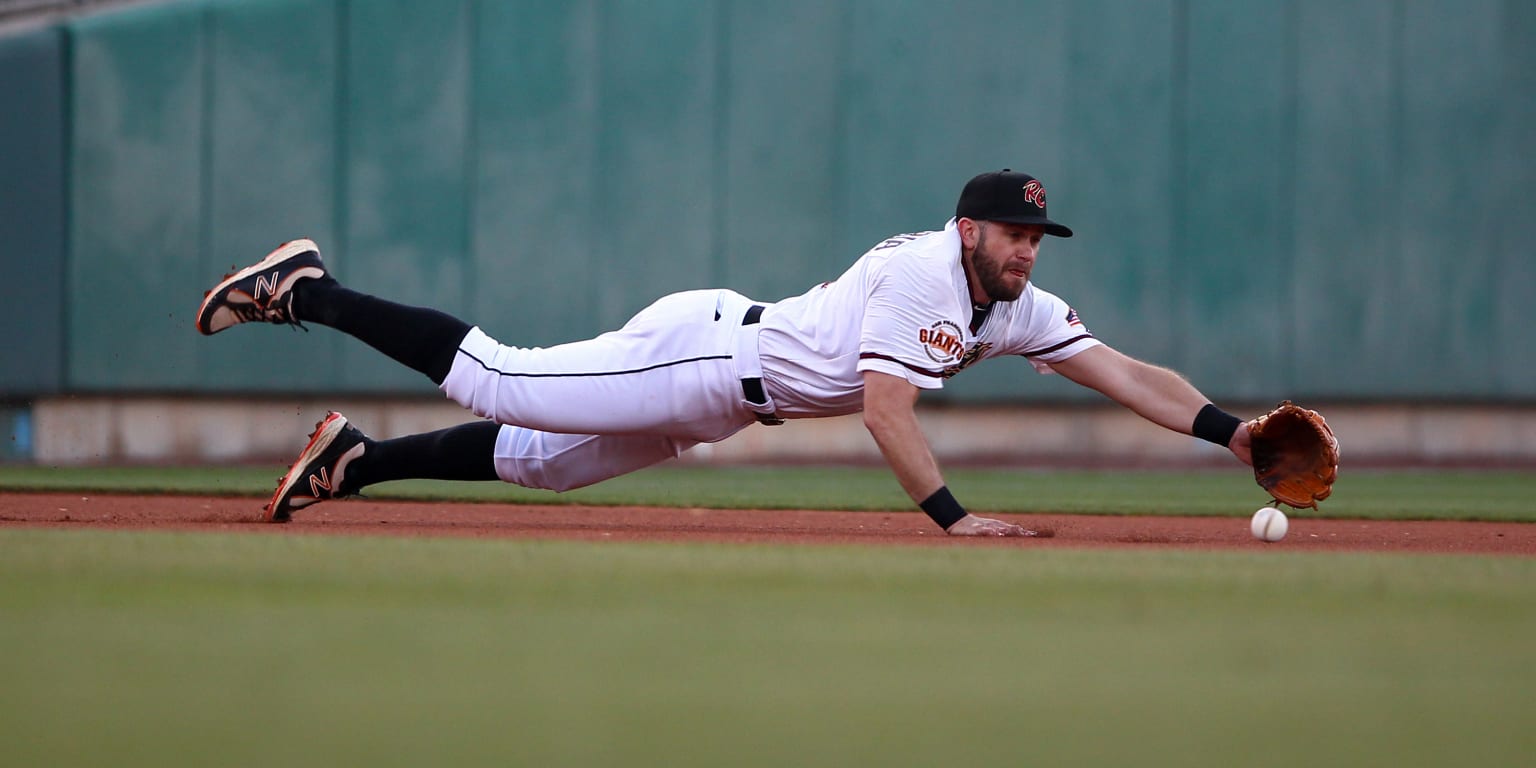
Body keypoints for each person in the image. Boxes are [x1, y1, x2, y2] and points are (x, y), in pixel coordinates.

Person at [195, 169, 1254, 535]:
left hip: (728, 403)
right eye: (1015, 234)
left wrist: (1234, 433)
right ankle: (307, 289)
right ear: (968, 229)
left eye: (1038, 237)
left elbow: (1123, 373)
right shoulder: (926, 273)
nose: (1028, 250)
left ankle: (354, 462)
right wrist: (955, 517)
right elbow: (888, 413)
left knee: (537, 462)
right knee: (500, 377)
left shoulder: (1011, 303)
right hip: (701, 353)